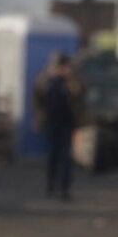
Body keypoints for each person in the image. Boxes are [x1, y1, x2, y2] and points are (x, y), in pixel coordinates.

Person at [34, 53, 84, 200]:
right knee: (52, 156)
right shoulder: (46, 79)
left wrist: (69, 80)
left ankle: (64, 188)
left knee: (66, 157)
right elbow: (38, 98)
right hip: (51, 122)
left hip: (67, 123)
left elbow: (79, 93)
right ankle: (50, 184)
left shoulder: (71, 80)